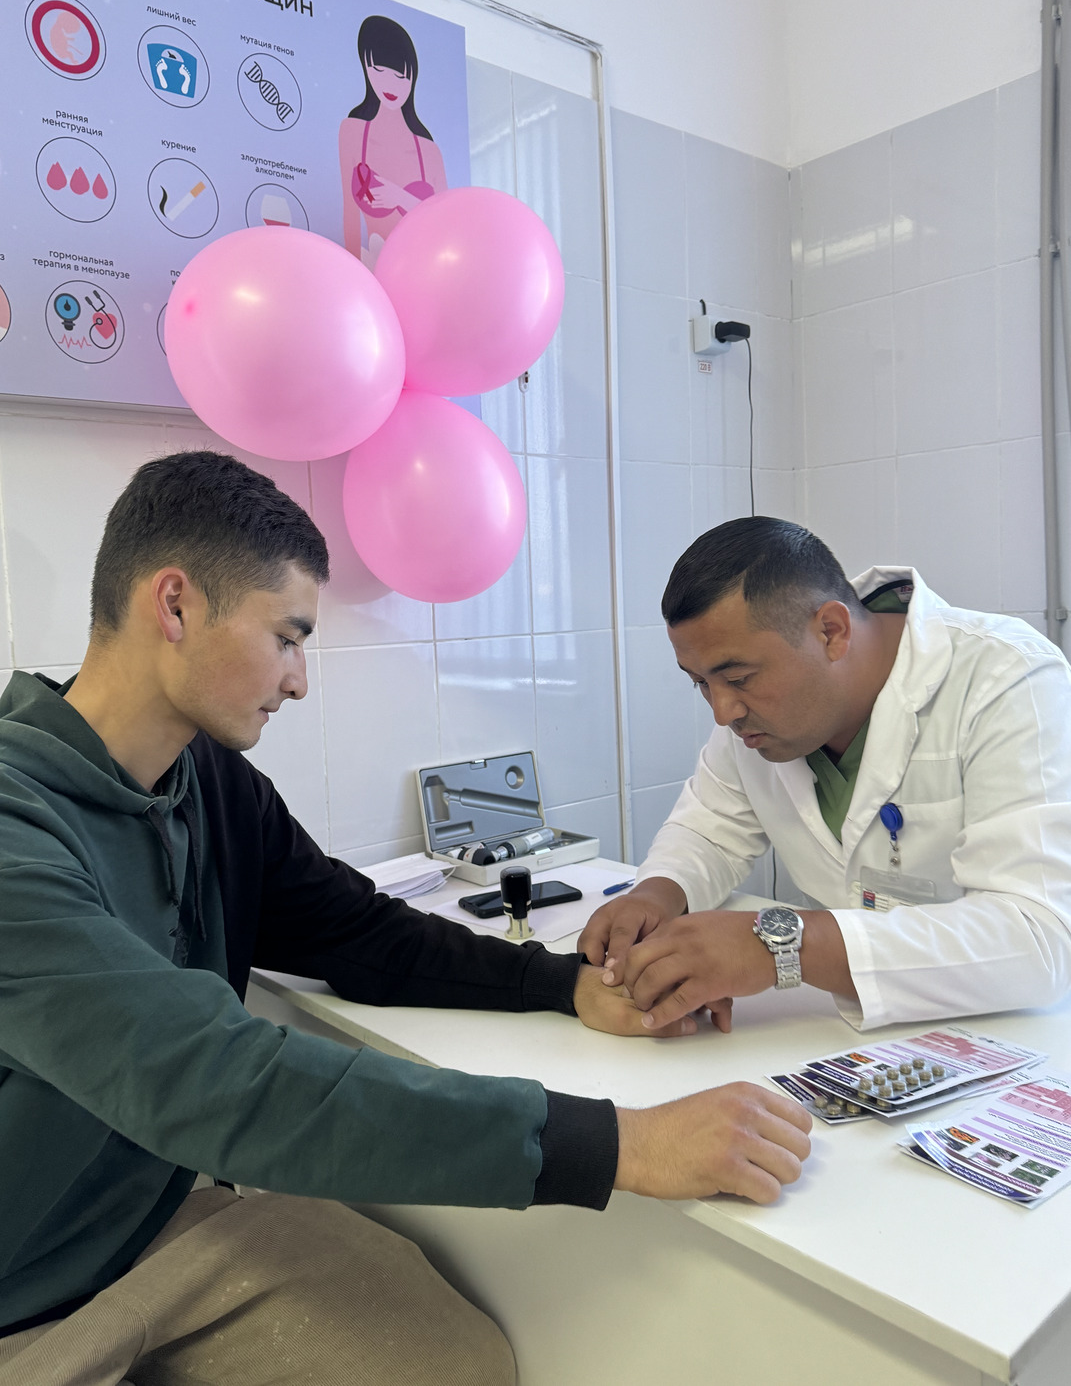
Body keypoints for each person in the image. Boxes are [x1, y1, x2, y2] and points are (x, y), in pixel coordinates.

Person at [0, 455, 811, 1384]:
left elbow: (359, 934)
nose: (299, 682)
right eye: (287, 638)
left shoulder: (211, 785)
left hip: (156, 1227)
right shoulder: (16, 830)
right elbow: (210, 1078)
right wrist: (620, 1143)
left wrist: (567, 986)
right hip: (22, 1296)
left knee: (457, 1363)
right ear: (175, 605)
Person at [581, 516, 1071, 1035]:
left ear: (831, 632)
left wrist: (780, 945)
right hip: (839, 1037)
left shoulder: (1007, 677)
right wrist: (656, 895)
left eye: (738, 678)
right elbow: (709, 828)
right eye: (700, 683)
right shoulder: (759, 715)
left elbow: (1039, 937)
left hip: (1011, 1039)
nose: (722, 712)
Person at [338, 14, 448, 267]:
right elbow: (350, 215)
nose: (391, 84)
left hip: (426, 271)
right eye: (378, 70)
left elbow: (444, 224)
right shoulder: (352, 132)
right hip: (371, 268)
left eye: (401, 77)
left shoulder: (429, 151)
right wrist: (355, 271)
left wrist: (400, 197)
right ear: (365, 67)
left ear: (413, 78)